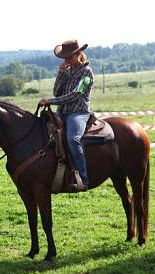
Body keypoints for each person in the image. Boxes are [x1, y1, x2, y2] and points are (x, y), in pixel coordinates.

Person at [39, 40, 94, 190]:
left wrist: (50, 101)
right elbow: (57, 92)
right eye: (64, 58)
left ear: (78, 55)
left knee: (73, 139)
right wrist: (60, 75)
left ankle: (83, 178)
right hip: (62, 112)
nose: (66, 60)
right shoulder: (67, 71)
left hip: (79, 112)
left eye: (69, 57)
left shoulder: (87, 72)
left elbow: (77, 94)